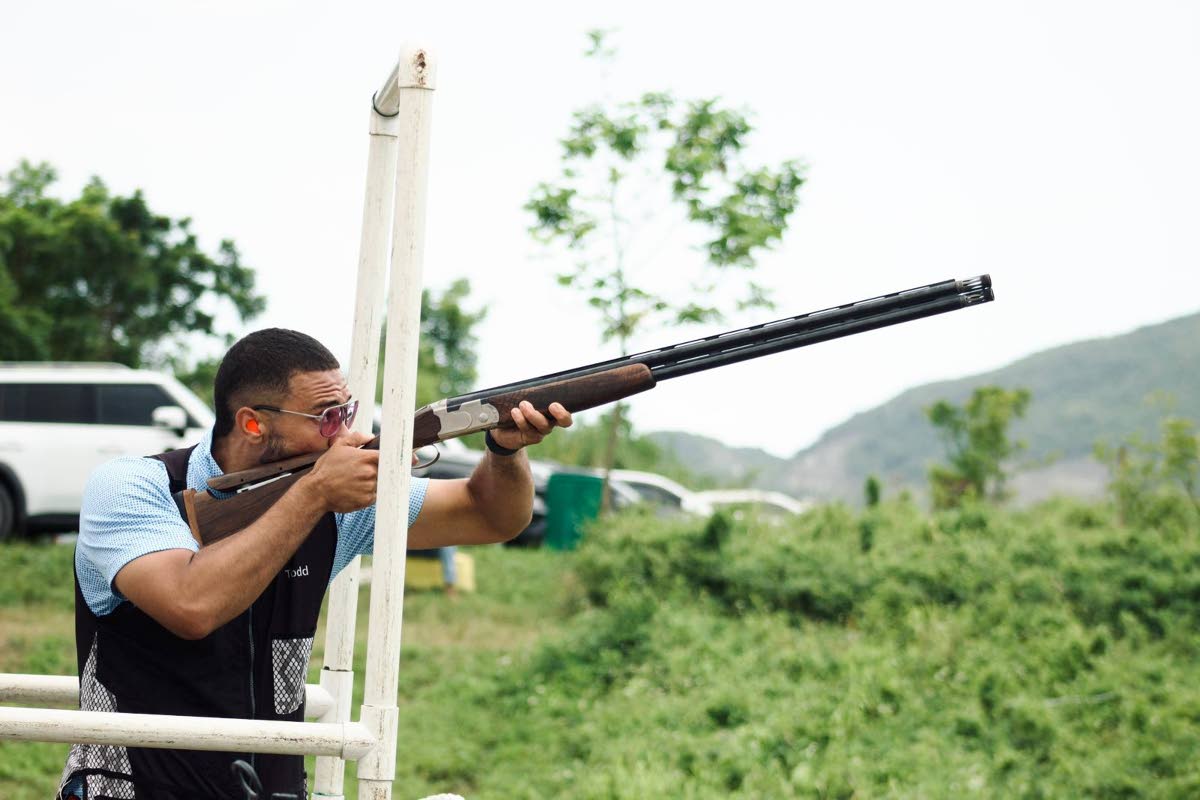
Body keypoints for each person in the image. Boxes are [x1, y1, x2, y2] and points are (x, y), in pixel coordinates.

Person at [57, 328, 571, 800]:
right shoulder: (135, 487)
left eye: (346, 412)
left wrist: (504, 450)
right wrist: (315, 494)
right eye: (327, 417)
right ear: (253, 423)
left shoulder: (332, 502)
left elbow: (490, 517)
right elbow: (191, 605)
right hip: (129, 789)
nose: (344, 431)